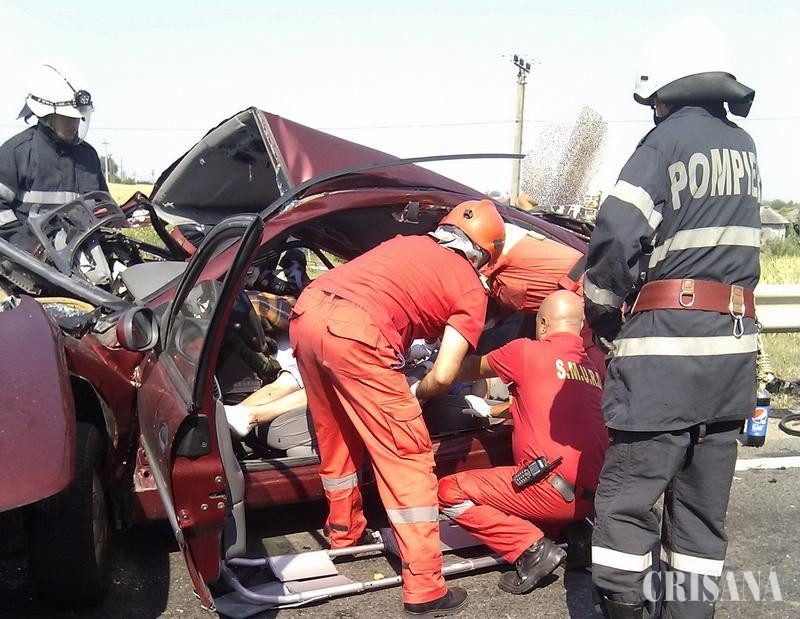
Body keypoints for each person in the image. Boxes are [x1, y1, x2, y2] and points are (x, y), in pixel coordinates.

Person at [583, 19, 761, 618]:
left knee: (626, 507)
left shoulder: (662, 145)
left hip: (664, 359)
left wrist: (602, 312)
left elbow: (616, 234)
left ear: (664, 89)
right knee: (700, 521)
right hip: (730, 361)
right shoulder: (745, 147)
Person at [288, 199, 505, 616]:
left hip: (307, 312)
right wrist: (415, 394)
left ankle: (344, 534)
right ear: (485, 254)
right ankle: (425, 588)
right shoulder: (469, 286)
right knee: (407, 456)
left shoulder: (406, 243)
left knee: (337, 435)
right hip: (357, 331)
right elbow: (445, 374)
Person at [438, 290, 607, 594]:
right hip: (593, 499)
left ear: (542, 324)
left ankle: (531, 549)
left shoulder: (525, 351)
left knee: (449, 491)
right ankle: (577, 535)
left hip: (551, 492)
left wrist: (428, 377)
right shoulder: (592, 368)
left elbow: (461, 369)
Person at [480, 221, 607, 379]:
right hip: (579, 298)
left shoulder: (501, 245)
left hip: (586, 302)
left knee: (588, 375)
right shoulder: (505, 246)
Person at [0, 64, 106, 244]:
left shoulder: (89, 157)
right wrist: (29, 246)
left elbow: (103, 208)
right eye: (68, 117)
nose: (74, 124)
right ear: (46, 115)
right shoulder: (16, 152)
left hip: (85, 256)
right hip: (27, 258)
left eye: (78, 117)